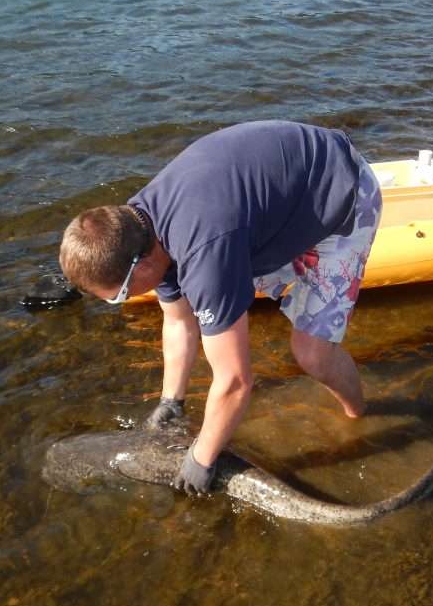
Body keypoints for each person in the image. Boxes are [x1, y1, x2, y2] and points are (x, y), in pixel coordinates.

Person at [59, 121, 383, 495]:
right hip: (281, 201)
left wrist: (201, 459)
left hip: (343, 192)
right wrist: (171, 402)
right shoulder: (140, 230)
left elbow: (235, 382)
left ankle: (360, 420)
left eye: (118, 295)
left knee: (312, 354)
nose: (122, 303)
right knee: (219, 312)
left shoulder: (204, 253)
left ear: (141, 266)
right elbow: (178, 321)